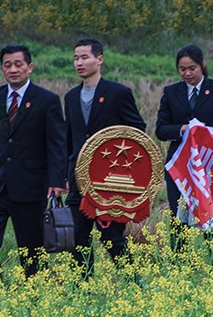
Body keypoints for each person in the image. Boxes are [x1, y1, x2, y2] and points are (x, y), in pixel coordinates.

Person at [0, 45, 66, 285]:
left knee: (32, 248)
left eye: (18, 64)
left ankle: (33, 296)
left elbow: (56, 144)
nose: (13, 69)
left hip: (31, 186)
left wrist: (57, 180)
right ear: (2, 69)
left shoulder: (47, 100)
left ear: (30, 67)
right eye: (7, 65)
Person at [64, 38, 146, 277]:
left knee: (112, 238)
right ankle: (83, 287)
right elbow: (68, 138)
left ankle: (134, 284)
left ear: (99, 60)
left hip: (109, 182)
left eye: (84, 57)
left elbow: (137, 131)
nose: (79, 63)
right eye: (76, 58)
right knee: (76, 237)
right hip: (78, 179)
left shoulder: (118, 93)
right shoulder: (70, 97)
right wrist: (62, 176)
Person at [156, 44, 213, 220]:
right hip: (179, 163)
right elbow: (161, 130)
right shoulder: (171, 92)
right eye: (182, 69)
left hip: (211, 161)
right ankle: (179, 248)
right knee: (179, 218)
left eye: (192, 68)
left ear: (202, 65)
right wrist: (183, 129)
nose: (187, 73)